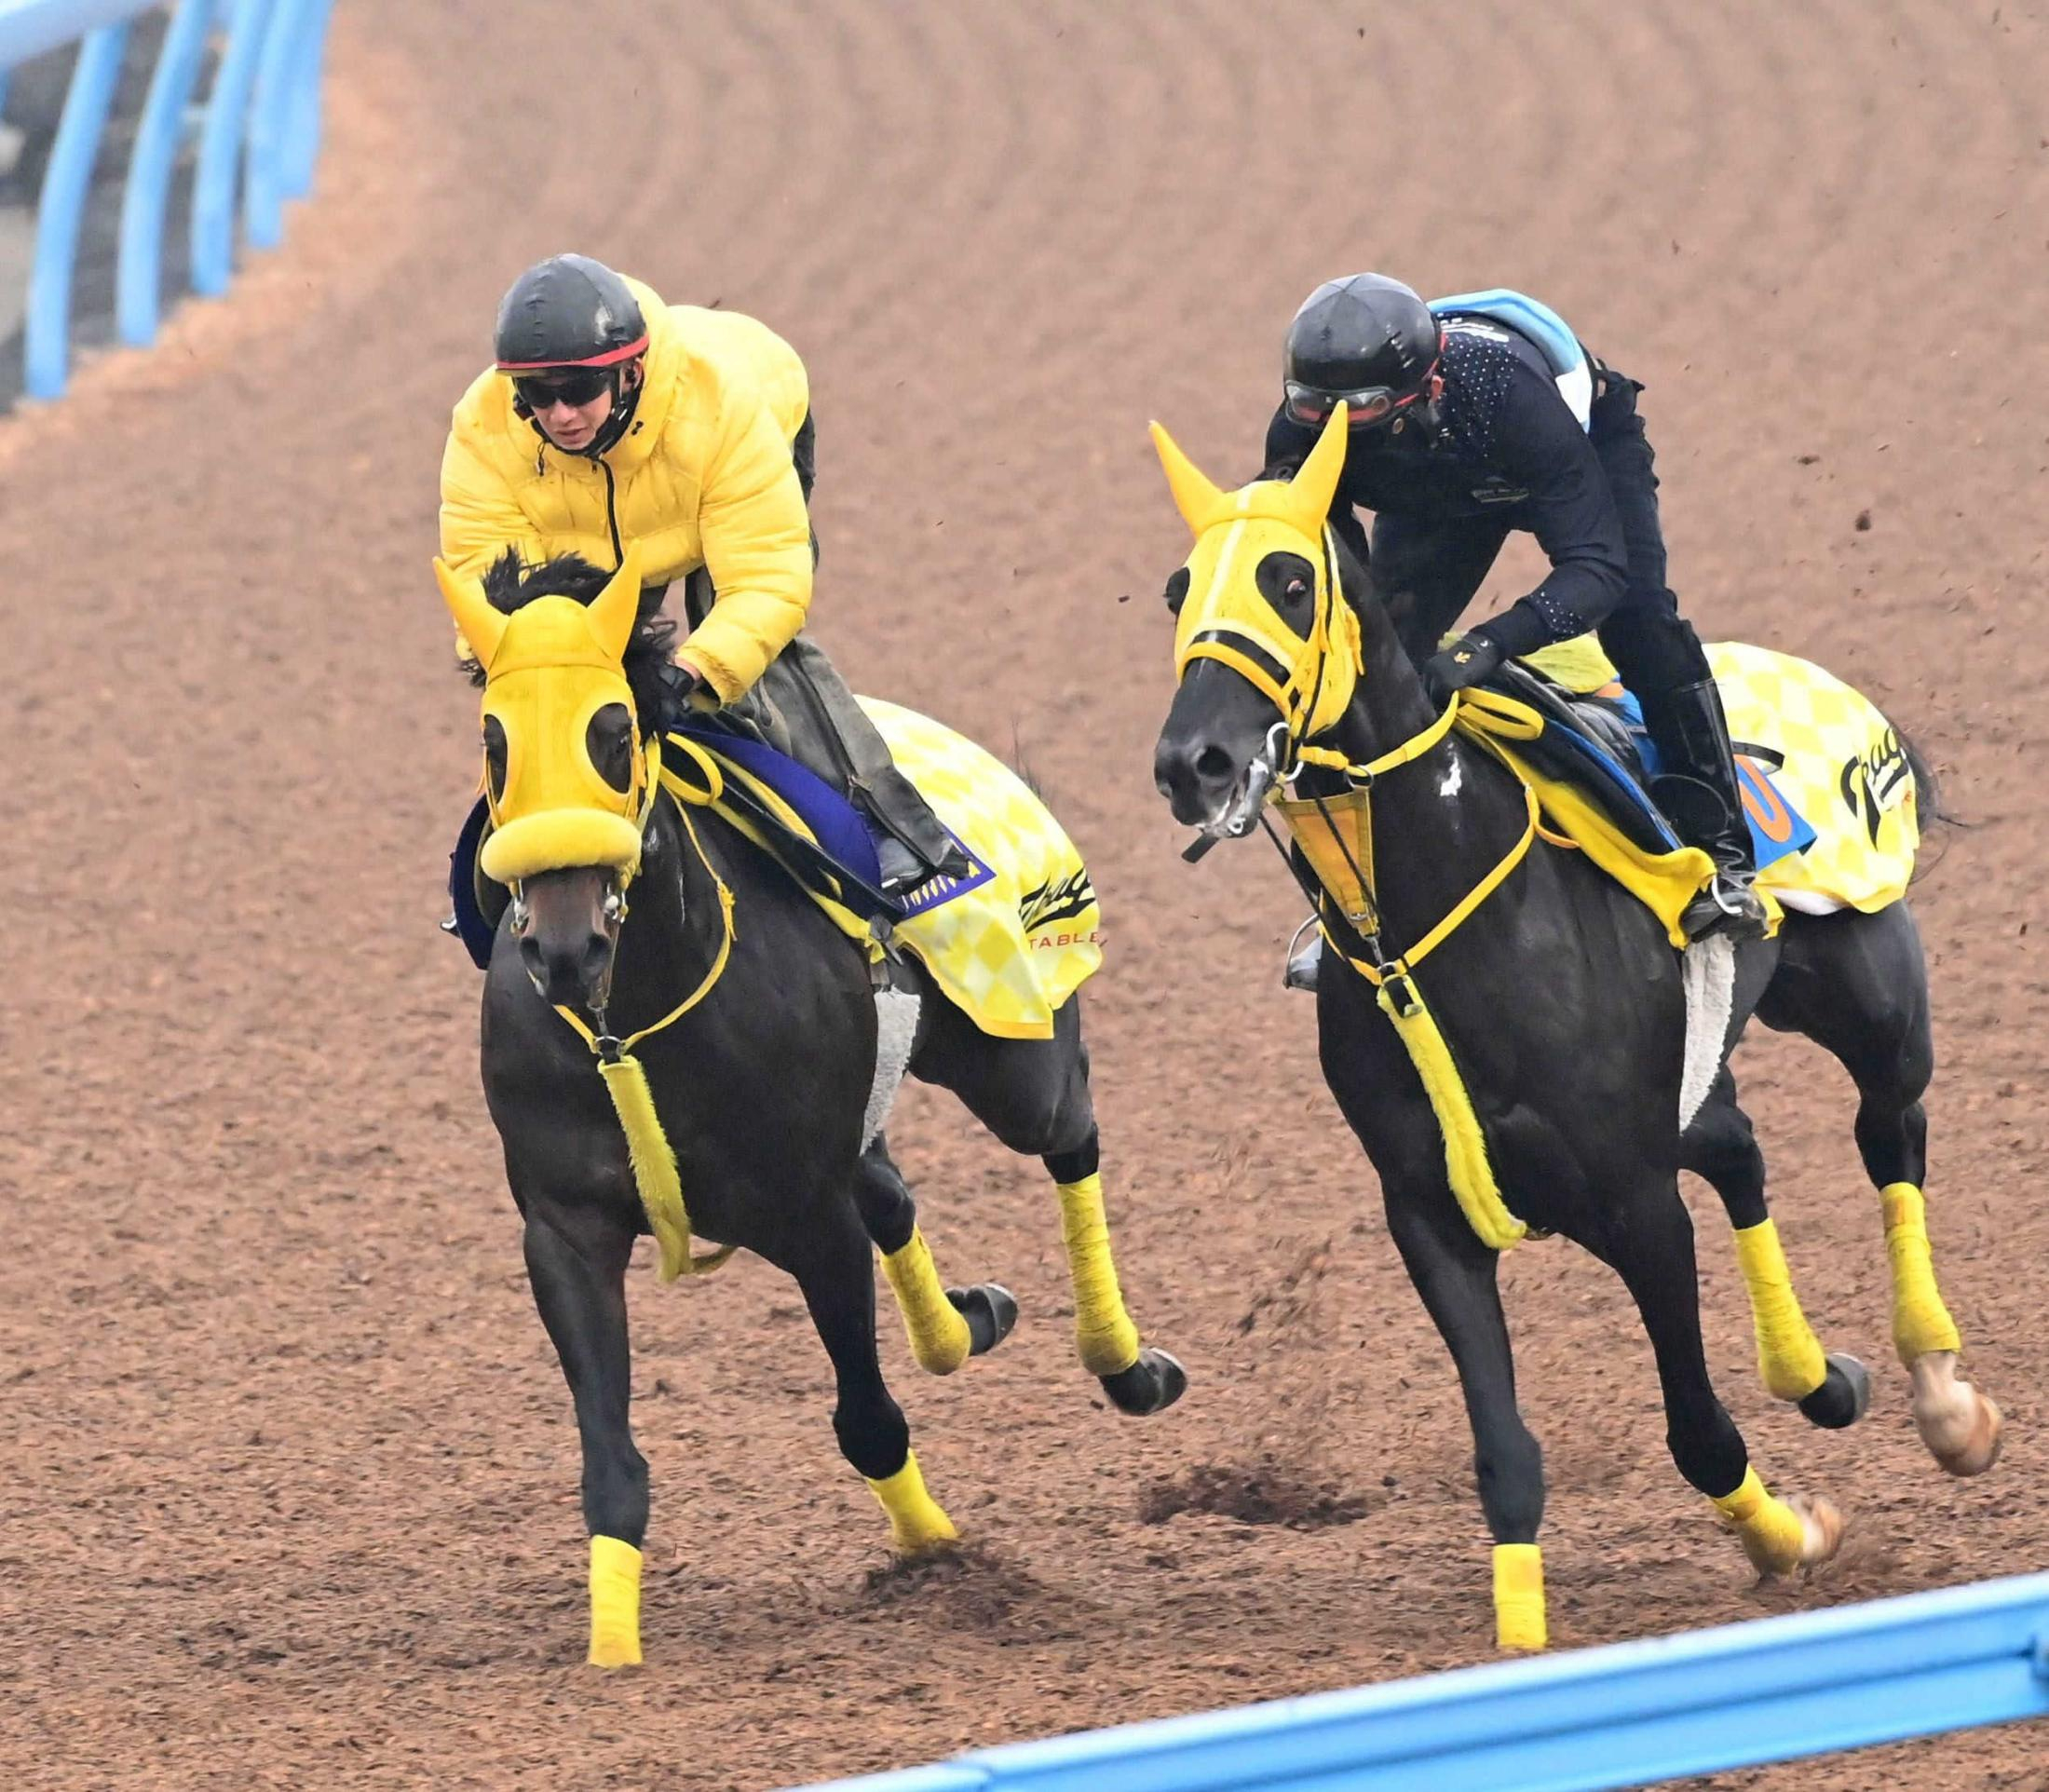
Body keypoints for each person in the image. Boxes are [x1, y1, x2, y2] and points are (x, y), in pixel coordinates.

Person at [1266, 273, 1768, 989]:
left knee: (1641, 623)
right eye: (1318, 413)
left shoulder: (1508, 397)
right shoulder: (1299, 426)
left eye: (1365, 414)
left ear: (1426, 389)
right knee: (1371, 663)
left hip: (1551, 449)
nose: (1337, 434)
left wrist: (1486, 646)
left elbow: (1597, 571)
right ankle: (1353, 900)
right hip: (1434, 483)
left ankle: (1724, 858)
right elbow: (1307, 553)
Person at [440, 252, 966, 895]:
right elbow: (487, 587)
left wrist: (690, 669)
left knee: (750, 666)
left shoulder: (723, 407)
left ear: (630, 371)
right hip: (590, 530)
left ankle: (889, 825)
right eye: (537, 396)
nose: (560, 416)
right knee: (556, 673)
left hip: (729, 461)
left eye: (579, 390)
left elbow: (765, 583)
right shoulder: (483, 425)